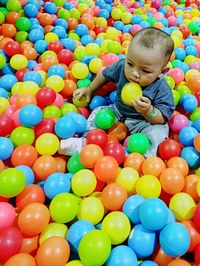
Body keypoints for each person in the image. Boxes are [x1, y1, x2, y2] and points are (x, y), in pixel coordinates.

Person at [59, 27, 175, 157]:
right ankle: (87, 143)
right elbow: (105, 75)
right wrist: (90, 89)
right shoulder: (121, 66)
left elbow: (163, 117)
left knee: (158, 132)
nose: (134, 73)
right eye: (130, 64)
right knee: (98, 113)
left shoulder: (161, 88)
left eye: (145, 71)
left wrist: (149, 111)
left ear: (162, 71)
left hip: (143, 122)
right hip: (117, 112)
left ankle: (140, 159)